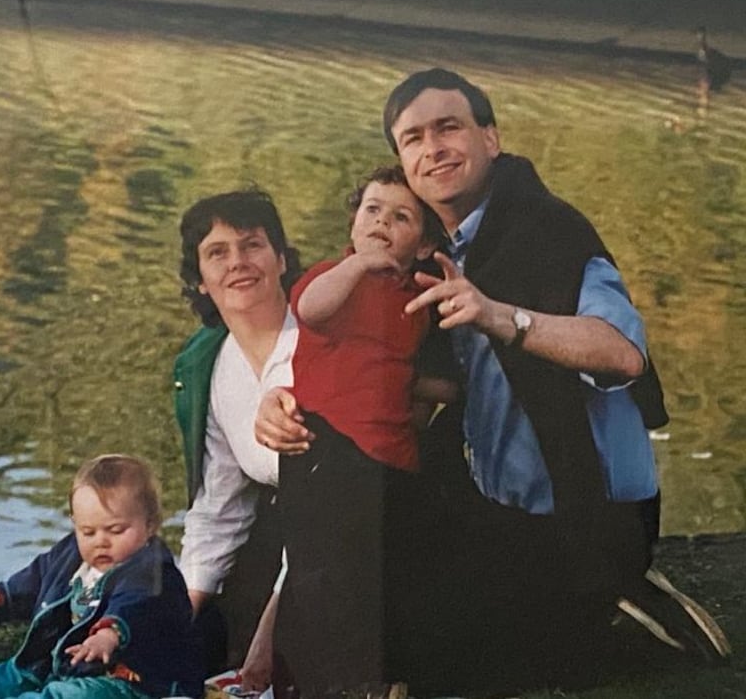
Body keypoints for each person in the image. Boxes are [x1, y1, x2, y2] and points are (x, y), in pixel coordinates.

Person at [256, 68, 731, 695]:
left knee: (449, 656)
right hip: (492, 501)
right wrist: (282, 399)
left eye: (449, 127)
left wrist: (498, 314)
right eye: (413, 138)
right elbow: (383, 362)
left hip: (581, 518)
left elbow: (622, 355)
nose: (433, 149)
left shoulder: (549, 231)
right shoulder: (440, 249)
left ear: (491, 138)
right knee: (350, 549)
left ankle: (620, 603)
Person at [278, 165, 454, 697]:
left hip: (392, 457)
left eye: (401, 218)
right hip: (326, 449)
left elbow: (404, 372)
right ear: (353, 222)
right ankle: (314, 682)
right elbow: (310, 308)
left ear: (423, 245)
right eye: (372, 210)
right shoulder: (335, 277)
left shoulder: (415, 299)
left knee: (383, 573)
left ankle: (380, 679)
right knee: (323, 574)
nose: (382, 222)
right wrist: (358, 267)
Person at [175, 188, 301, 694]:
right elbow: (219, 507)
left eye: (252, 245)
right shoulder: (212, 364)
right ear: (199, 281)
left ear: (281, 259)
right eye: (217, 253)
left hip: (347, 537)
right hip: (282, 536)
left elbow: (330, 504)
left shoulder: (314, 341)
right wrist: (179, 611)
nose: (238, 263)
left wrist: (272, 629)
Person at [0, 454, 204, 699]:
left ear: (150, 525)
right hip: (66, 662)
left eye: (116, 530)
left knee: (67, 695)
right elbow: (38, 575)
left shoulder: (153, 570)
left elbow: (134, 603)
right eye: (88, 531)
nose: (101, 541)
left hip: (131, 680)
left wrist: (109, 634)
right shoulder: (71, 553)